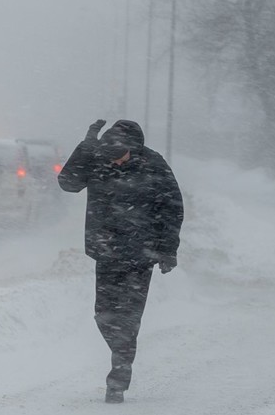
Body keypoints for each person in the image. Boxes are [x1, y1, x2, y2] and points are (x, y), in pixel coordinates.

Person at [58, 119, 184, 404]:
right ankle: (122, 352)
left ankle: (119, 374)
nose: (116, 161)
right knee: (103, 314)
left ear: (134, 148)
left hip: (142, 255)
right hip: (107, 251)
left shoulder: (153, 164)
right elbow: (68, 183)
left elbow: (172, 208)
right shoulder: (98, 159)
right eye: (111, 155)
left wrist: (168, 249)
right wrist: (87, 146)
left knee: (128, 317)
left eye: (121, 155)